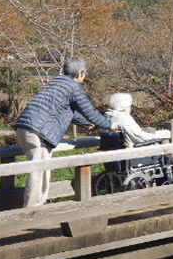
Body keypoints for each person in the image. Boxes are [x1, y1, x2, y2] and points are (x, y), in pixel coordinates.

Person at [15, 56, 117, 207]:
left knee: (38, 171)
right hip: (39, 133)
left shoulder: (56, 82)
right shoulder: (74, 87)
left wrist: (86, 124)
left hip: (23, 128)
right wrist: (109, 125)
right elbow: (90, 111)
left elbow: (68, 111)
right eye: (85, 74)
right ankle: (31, 212)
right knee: (39, 173)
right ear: (79, 74)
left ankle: (33, 208)